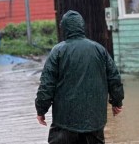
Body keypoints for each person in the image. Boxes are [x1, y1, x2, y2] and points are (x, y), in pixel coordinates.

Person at [35, 10, 124, 144]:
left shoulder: (57, 51)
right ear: (82, 27)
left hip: (64, 123)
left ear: (64, 28)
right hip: (94, 122)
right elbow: (114, 79)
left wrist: (41, 109)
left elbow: (46, 85)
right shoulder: (100, 50)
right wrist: (116, 101)